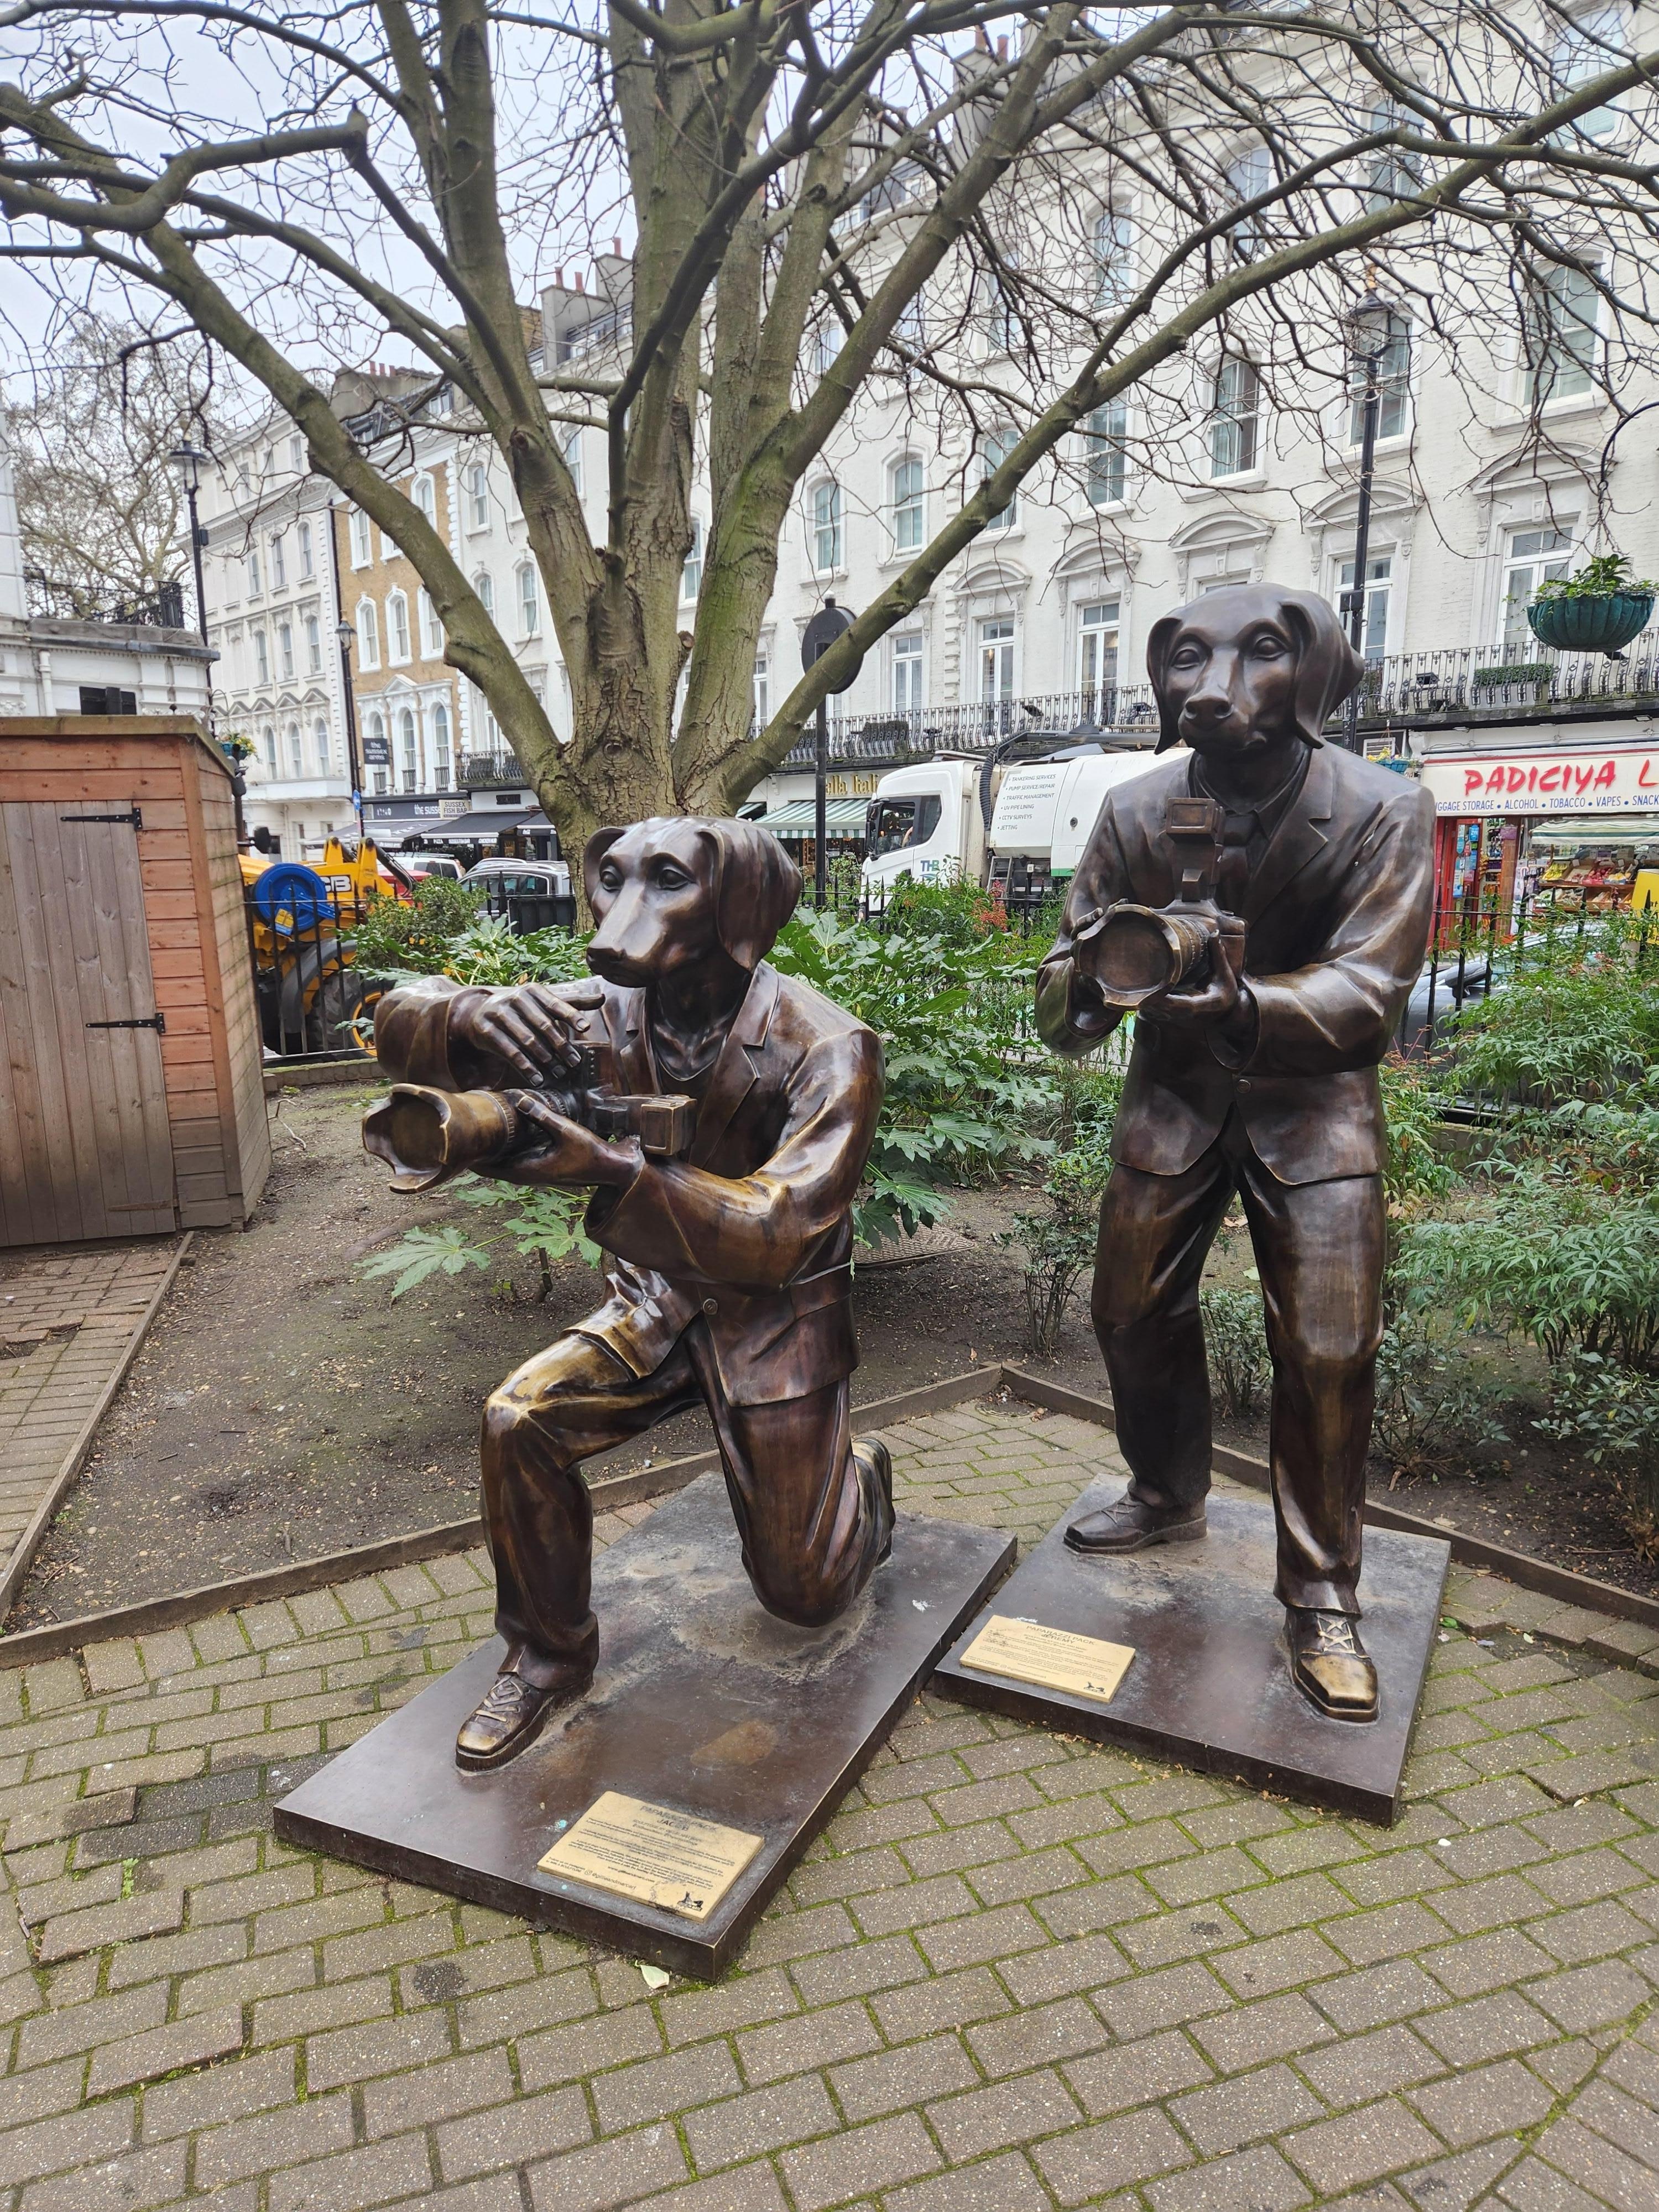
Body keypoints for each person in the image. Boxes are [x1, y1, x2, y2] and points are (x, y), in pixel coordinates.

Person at [372, 816, 894, 1769]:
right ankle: (546, 1655)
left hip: (773, 1316)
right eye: (611, 881)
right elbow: (395, 1026)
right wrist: (461, 1015)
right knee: (517, 1419)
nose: (624, 913)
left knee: (804, 1595)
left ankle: (862, 1486)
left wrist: (614, 1174)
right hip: (654, 1298)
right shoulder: (601, 1009)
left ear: (739, 904)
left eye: (664, 882)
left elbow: (780, 1229)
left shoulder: (829, 1046)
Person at [1036, 586, 1435, 1723]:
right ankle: (1167, 1491)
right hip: (1174, 1096)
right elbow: (1061, 983)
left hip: (1313, 1105)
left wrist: (1241, 1000)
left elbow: (1371, 990)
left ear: (1310, 678)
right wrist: (1093, 981)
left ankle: (1320, 1593)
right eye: (1188, 661)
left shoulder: (1384, 807)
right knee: (1126, 1308)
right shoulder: (1133, 806)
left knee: (1324, 1345)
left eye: (1256, 655)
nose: (1211, 685)